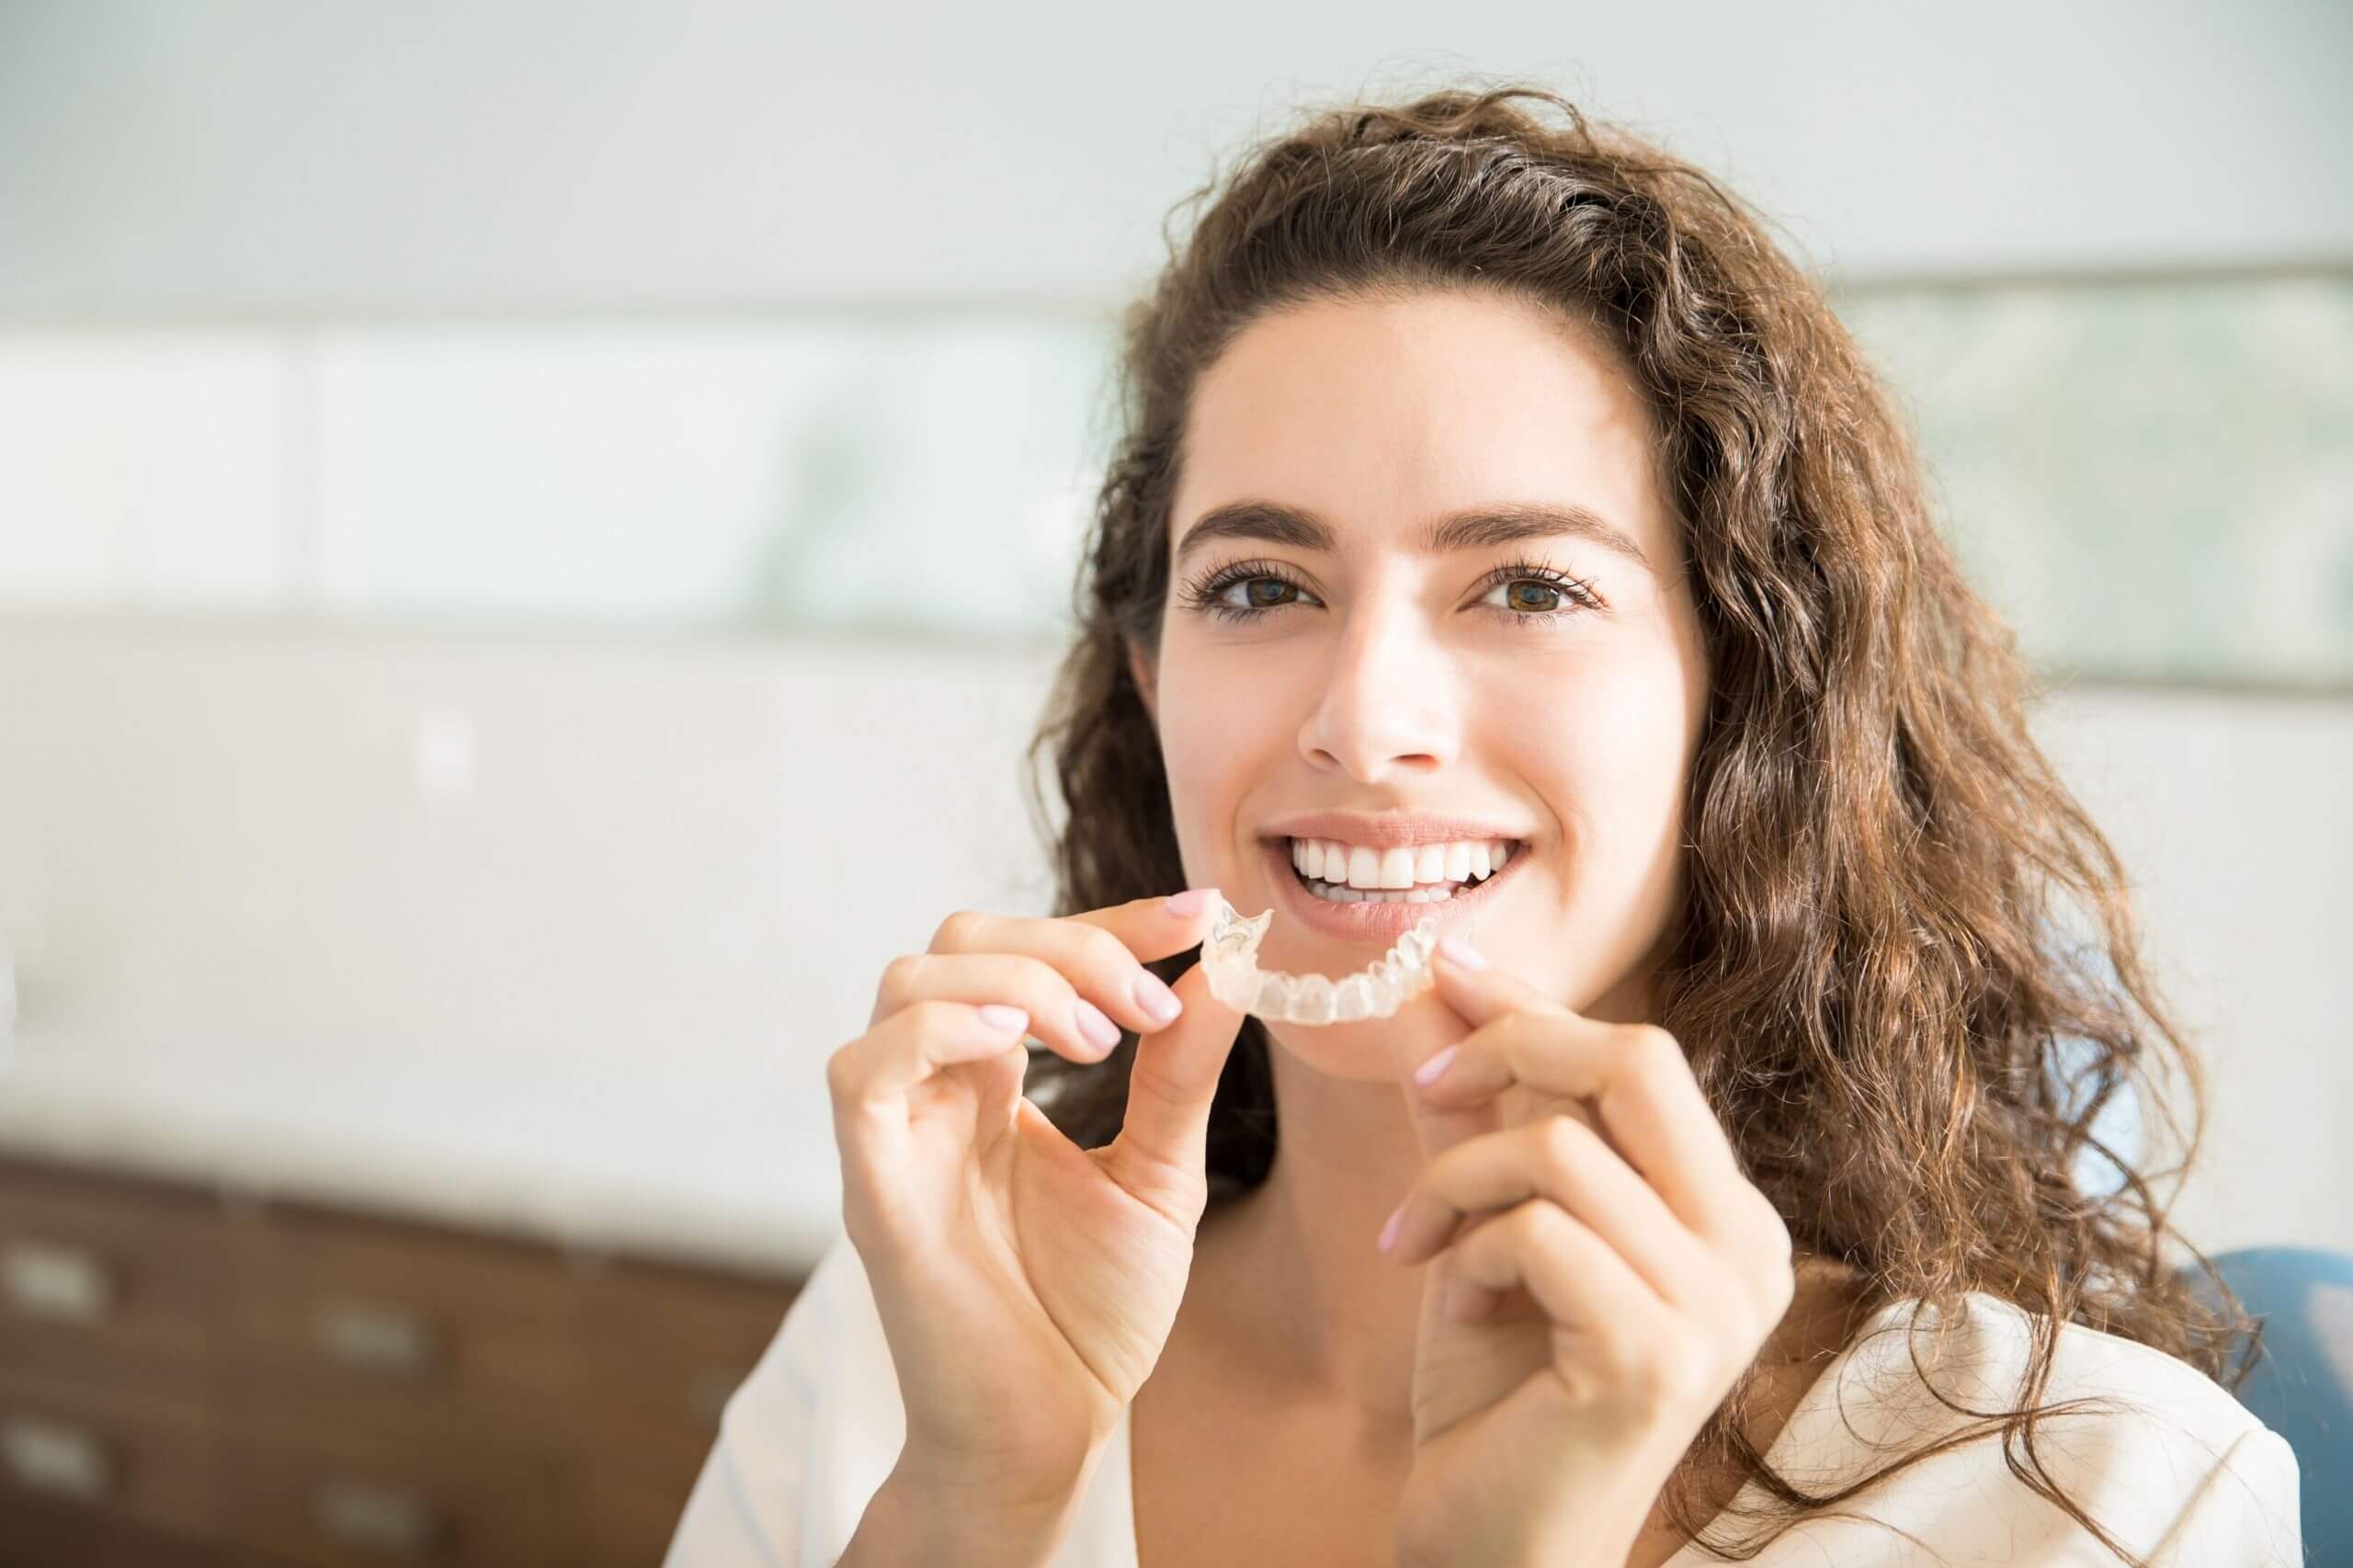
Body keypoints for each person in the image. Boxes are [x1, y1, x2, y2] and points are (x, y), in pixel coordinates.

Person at [664, 83, 2302, 1567]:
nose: (1367, 720)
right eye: (1259, 584)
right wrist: (971, 1504)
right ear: (1152, 678)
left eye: (1529, 585)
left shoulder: (2103, 1503)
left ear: (1742, 697)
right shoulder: (913, 1348)